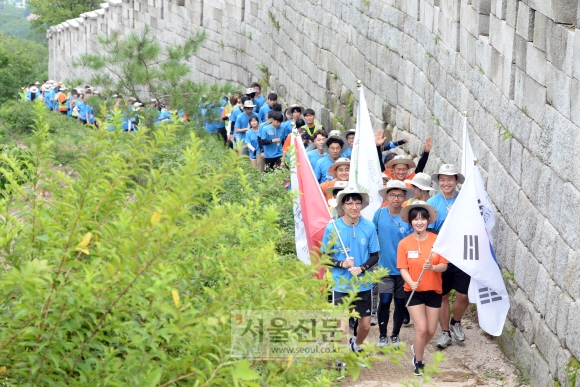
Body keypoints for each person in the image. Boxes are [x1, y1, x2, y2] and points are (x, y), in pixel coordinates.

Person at [321, 186, 380, 366]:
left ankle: (356, 344)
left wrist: (362, 268)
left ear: (361, 205)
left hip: (363, 284)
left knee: (365, 325)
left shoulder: (368, 226)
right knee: (342, 325)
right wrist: (342, 264)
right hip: (340, 285)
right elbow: (324, 257)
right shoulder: (333, 228)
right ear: (342, 206)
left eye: (357, 203)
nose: (354, 207)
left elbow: (375, 255)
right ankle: (341, 359)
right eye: (349, 203)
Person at [397, 201, 448, 376]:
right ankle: (419, 361)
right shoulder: (404, 243)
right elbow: (403, 268)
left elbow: (444, 266)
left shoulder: (437, 241)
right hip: (413, 291)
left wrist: (433, 268)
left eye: (423, 219)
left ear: (428, 221)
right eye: (415, 219)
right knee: (421, 328)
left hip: (434, 290)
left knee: (431, 331)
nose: (419, 222)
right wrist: (411, 282)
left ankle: (416, 347)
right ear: (410, 222)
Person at [425, 164, 470, 350]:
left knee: (463, 295)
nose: (446, 183)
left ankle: (455, 321)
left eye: (449, 179)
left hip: (461, 254)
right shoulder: (434, 202)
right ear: (438, 182)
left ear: (456, 181)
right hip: (441, 255)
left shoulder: (464, 200)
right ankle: (445, 332)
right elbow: (427, 228)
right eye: (442, 179)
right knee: (442, 296)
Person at [373, 180, 415, 348]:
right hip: (384, 267)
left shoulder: (408, 216)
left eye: (399, 195)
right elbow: (373, 236)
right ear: (387, 196)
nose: (396, 198)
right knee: (384, 300)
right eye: (392, 195)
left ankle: (395, 334)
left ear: (404, 197)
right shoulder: (380, 214)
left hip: (404, 269)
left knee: (399, 303)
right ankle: (382, 335)